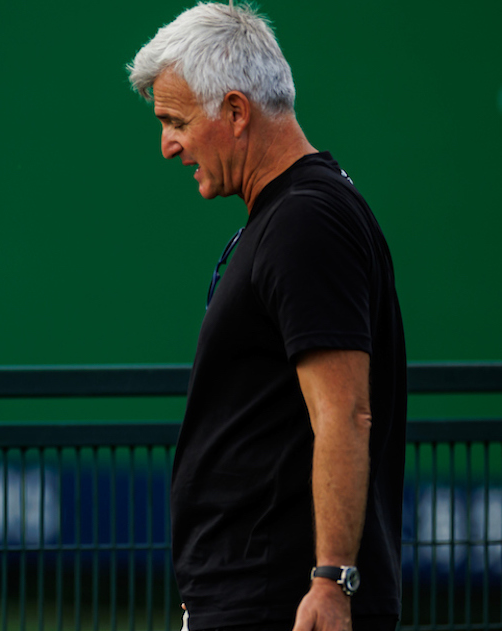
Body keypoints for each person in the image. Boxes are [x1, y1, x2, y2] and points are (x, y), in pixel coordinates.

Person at [127, 4, 405, 631]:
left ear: (234, 111)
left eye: (175, 121)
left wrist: (332, 578)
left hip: (283, 603)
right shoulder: (295, 213)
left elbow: (345, 411)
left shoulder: (306, 221)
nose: (167, 146)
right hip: (258, 596)